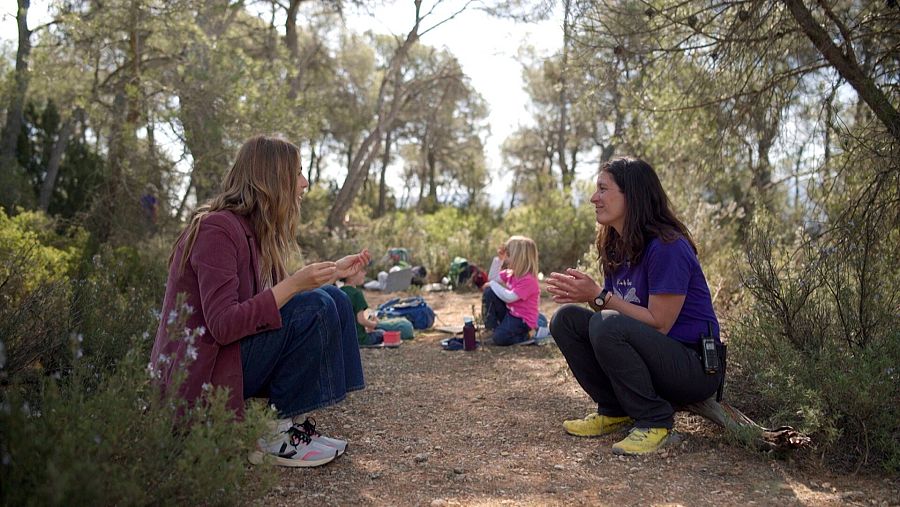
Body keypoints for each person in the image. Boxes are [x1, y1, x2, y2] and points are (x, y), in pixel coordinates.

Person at [149, 135, 371, 468]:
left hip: (230, 358)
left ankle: (289, 426)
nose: (304, 183)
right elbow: (223, 325)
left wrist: (332, 273)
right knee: (316, 306)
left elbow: (268, 304)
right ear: (271, 179)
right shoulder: (217, 229)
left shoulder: (253, 231)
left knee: (334, 298)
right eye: (297, 173)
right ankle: (273, 436)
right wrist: (296, 285)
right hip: (202, 374)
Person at [546, 157, 723, 456]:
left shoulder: (668, 247)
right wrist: (592, 296)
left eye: (603, 189)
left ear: (633, 195)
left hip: (694, 367)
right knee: (566, 320)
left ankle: (655, 421)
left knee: (606, 322)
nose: (594, 198)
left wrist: (598, 296)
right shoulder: (616, 244)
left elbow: (660, 323)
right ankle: (615, 410)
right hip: (654, 357)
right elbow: (620, 314)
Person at [481, 235, 541, 346]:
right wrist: (499, 259)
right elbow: (492, 278)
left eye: (508, 255)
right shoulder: (511, 273)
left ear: (519, 258)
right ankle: (491, 329)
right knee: (489, 291)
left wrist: (492, 284)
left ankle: (528, 335)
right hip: (511, 313)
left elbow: (509, 297)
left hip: (523, 320)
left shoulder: (529, 280)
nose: (506, 258)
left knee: (500, 338)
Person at [339, 270, 385, 348]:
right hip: (359, 339)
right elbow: (361, 320)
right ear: (351, 275)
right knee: (382, 333)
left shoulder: (339, 291)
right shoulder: (356, 293)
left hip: (343, 339)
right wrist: (374, 324)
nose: (365, 273)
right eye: (361, 271)